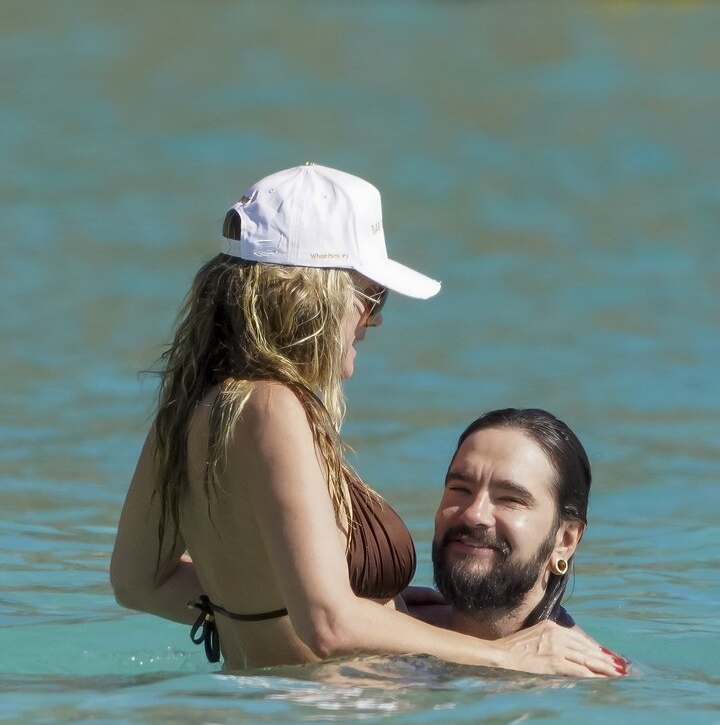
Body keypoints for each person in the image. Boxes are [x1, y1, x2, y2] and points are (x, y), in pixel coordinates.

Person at [110, 163, 622, 679]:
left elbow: (140, 583)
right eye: (371, 295)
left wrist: (370, 614)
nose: (373, 319)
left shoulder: (192, 406)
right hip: (336, 721)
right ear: (313, 294)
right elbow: (328, 626)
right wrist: (504, 654)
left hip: (272, 716)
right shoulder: (272, 407)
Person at [417, 407, 628, 674]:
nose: (474, 514)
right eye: (460, 489)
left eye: (510, 499)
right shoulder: (388, 620)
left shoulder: (586, 677)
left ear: (564, 540)